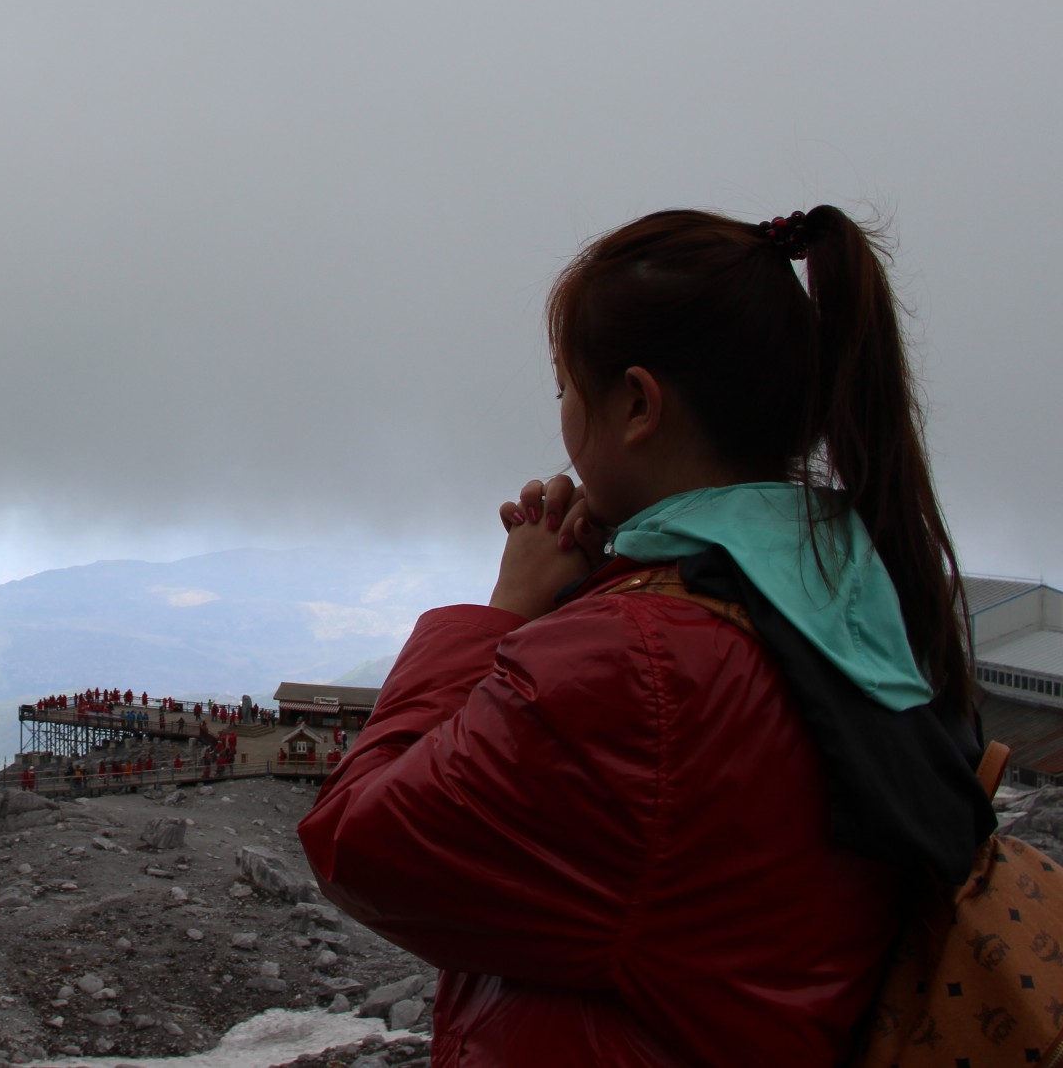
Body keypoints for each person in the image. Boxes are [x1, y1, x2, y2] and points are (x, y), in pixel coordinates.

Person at [297, 206, 995, 1067]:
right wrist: (593, 593)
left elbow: (360, 842)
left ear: (636, 402)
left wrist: (507, 611)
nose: (560, 414)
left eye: (564, 386)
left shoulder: (635, 665)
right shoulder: (857, 597)